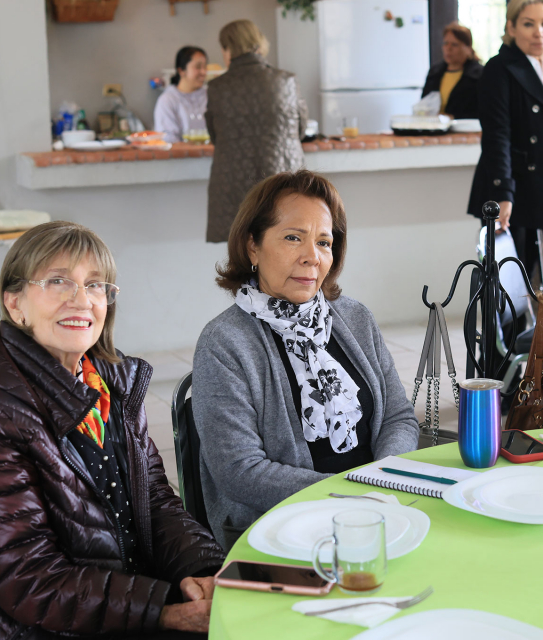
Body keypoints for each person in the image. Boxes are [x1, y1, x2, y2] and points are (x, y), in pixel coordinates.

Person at [0, 221, 225, 640]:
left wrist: (205, 571)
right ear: (15, 303)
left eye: (95, 285)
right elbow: (28, 579)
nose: (82, 300)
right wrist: (165, 612)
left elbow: (155, 502)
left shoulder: (107, 384)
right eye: (57, 281)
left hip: (126, 604)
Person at [191, 170, 420, 551]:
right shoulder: (224, 343)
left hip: (380, 508)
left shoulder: (355, 318)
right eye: (293, 238)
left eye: (324, 242)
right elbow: (239, 471)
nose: (312, 257)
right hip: (281, 528)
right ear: (252, 246)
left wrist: (383, 481)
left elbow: (398, 417)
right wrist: (351, 495)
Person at [205, 20, 308, 243]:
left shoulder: (217, 87)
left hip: (234, 184)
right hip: (282, 180)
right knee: (286, 240)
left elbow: (215, 136)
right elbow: (300, 129)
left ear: (228, 49)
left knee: (244, 246)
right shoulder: (287, 81)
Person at [468, 0, 543, 279]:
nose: (539, 32)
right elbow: (497, 135)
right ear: (511, 27)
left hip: (538, 186)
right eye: (528, 24)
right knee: (510, 285)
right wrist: (504, 194)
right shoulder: (499, 68)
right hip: (513, 186)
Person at [421, 22, 484, 119]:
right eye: (445, 43)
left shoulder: (480, 74)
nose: (448, 48)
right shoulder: (434, 72)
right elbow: (424, 103)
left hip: (465, 127)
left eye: (454, 44)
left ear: (468, 48)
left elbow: (483, 111)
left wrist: (453, 117)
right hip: (434, 126)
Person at [154, 46, 208, 143]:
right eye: (198, 67)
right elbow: (167, 139)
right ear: (181, 71)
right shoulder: (168, 100)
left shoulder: (210, 95)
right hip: (181, 153)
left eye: (205, 67)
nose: (203, 72)